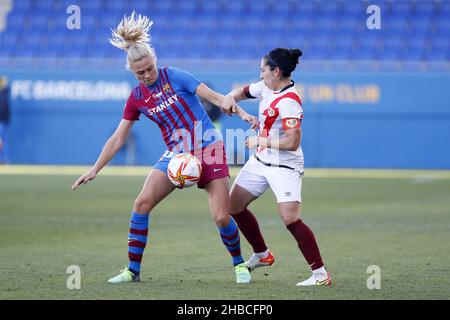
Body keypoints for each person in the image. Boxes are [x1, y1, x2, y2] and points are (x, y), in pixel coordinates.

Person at [71, 12, 258, 284]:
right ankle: (132, 271)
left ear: (155, 62)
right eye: (140, 72)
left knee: (220, 216)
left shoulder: (175, 76)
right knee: (142, 203)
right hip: (177, 154)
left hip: (209, 148)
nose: (147, 75)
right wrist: (94, 169)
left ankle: (239, 264)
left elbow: (217, 98)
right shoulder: (136, 98)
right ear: (131, 72)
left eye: (149, 68)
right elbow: (118, 138)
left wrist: (242, 114)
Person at [221, 48, 332, 286]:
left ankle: (320, 275)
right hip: (260, 161)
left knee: (290, 219)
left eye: (263, 70)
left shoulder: (290, 101)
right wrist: (232, 99)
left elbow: (293, 142)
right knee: (233, 205)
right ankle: (262, 254)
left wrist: (261, 139)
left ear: (276, 71)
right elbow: (240, 92)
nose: (260, 75)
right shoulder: (265, 87)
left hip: (284, 165)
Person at [0, 76, 10, 164]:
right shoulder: (3, 93)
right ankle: (3, 158)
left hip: (2, 121)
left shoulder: (3, 94)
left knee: (2, 140)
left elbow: (3, 109)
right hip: (3, 121)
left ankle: (3, 159)